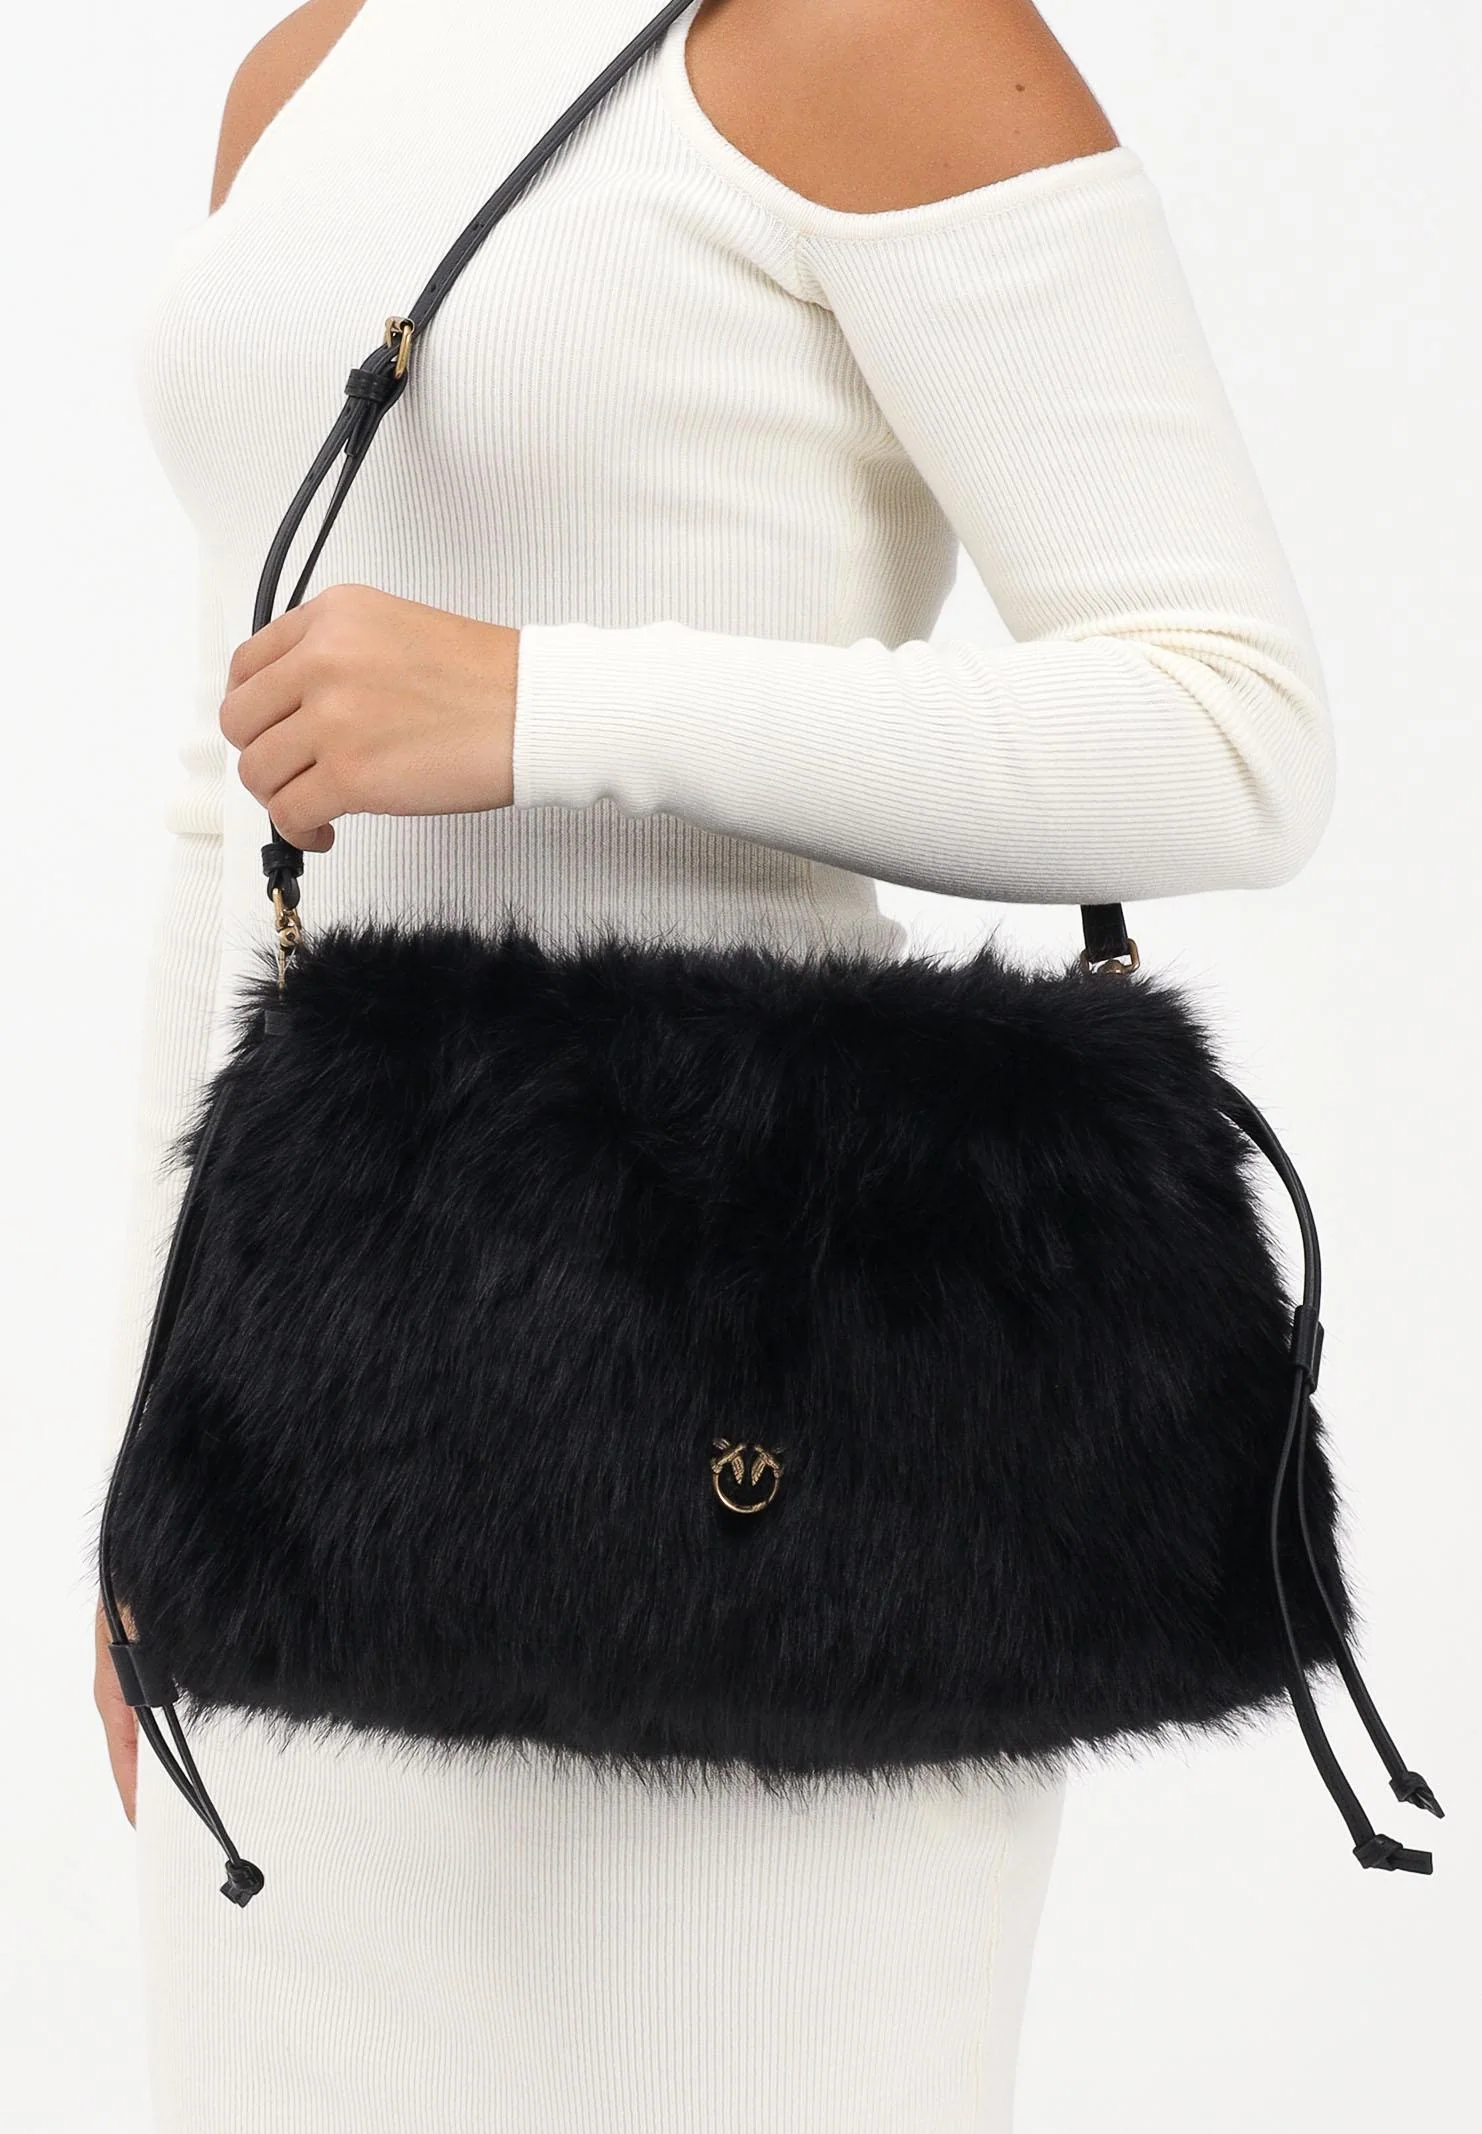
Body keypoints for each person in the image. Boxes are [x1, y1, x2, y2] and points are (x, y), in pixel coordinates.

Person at [93, 1, 1335, 2127]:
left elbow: (1233, 733)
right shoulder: (307, 70)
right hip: (325, 1444)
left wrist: (552, 704)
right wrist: (149, 1462)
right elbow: (235, 814)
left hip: (782, 1430)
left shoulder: (876, 35)